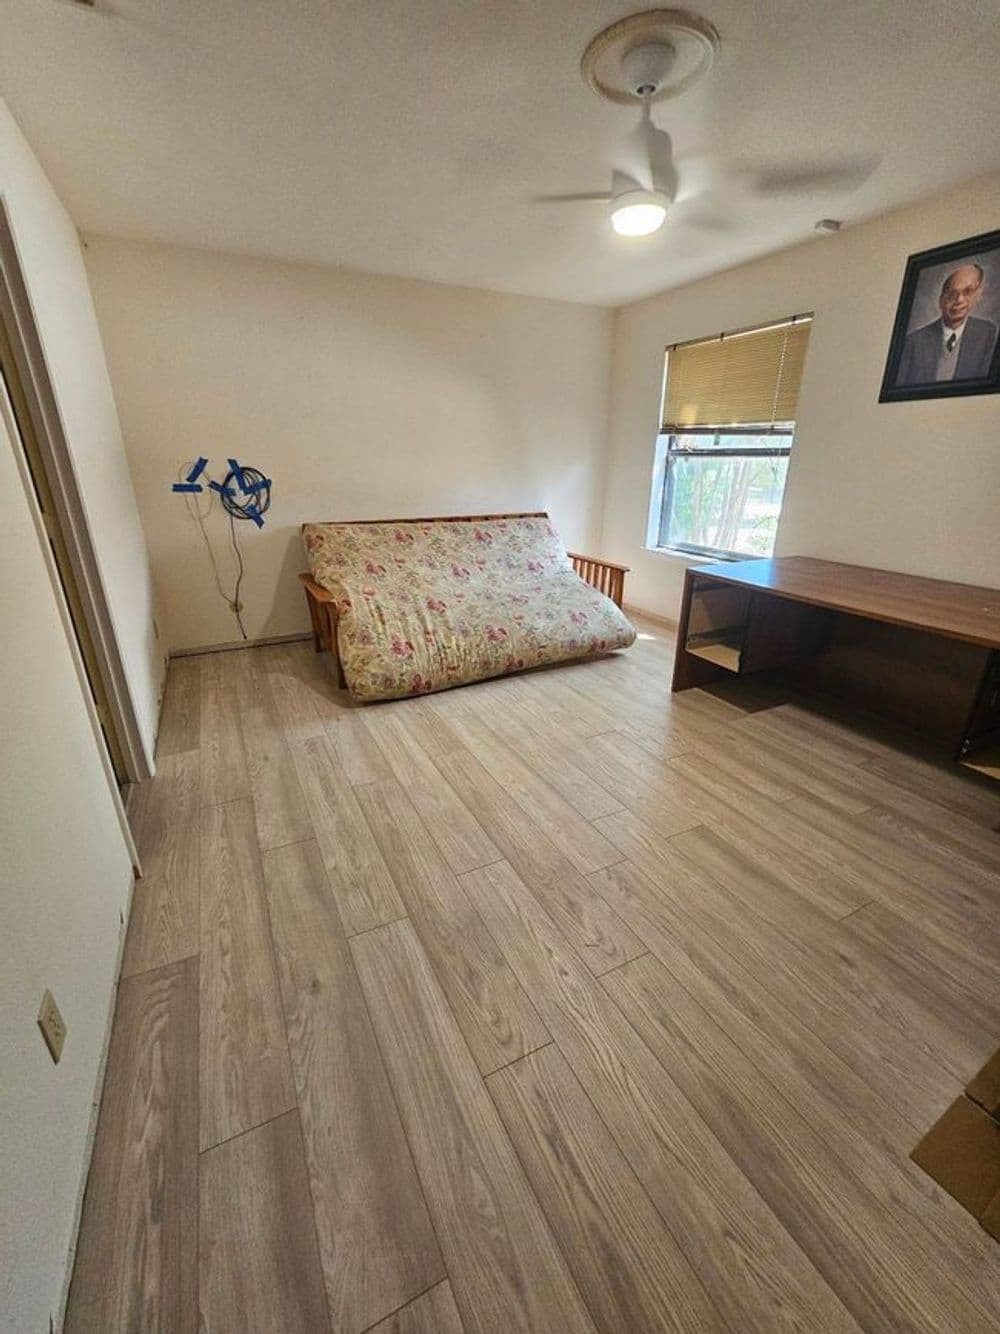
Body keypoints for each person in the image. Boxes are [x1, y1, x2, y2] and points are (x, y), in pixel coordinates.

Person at [896, 262, 998, 385]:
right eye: (951, 294)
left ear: (978, 294)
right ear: (941, 301)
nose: (959, 300)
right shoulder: (914, 341)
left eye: (968, 291)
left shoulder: (987, 332)